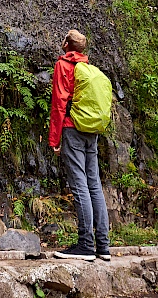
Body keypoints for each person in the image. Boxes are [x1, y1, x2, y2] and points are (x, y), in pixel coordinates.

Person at [48, 29, 110, 261]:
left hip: (72, 129)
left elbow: (59, 103)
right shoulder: (88, 68)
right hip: (91, 130)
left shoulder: (64, 66)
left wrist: (55, 140)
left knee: (80, 185)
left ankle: (85, 246)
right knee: (94, 184)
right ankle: (103, 246)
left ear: (66, 44)